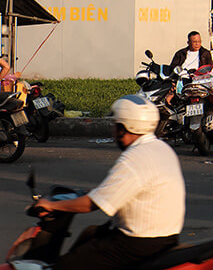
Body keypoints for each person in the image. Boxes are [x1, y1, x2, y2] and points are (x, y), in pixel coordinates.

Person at [33, 95, 184, 270]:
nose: (113, 133)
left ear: (125, 128)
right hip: (166, 237)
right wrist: (95, 191)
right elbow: (124, 188)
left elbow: (92, 205)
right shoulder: (160, 148)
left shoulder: (134, 159)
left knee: (65, 266)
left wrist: (51, 206)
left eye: (116, 126)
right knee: (89, 233)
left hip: (138, 243)